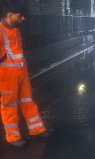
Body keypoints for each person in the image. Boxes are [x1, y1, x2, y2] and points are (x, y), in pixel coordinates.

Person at [0, 0, 47, 147]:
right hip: (7, 75)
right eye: (20, 16)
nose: (23, 19)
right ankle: (13, 138)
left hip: (21, 73)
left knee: (28, 101)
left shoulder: (16, 29)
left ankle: (37, 131)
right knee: (9, 105)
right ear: (10, 14)